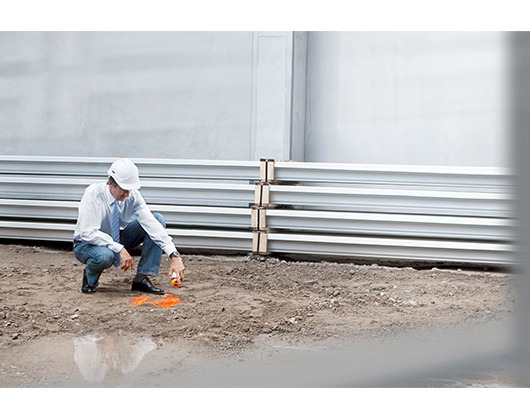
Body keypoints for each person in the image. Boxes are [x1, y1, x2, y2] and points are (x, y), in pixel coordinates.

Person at [73, 158, 185, 295]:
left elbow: (151, 224)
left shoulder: (132, 196)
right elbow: (87, 233)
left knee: (158, 219)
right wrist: (118, 248)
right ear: (111, 183)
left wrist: (174, 255)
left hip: (118, 236)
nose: (128, 194)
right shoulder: (93, 195)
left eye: (130, 189)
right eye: (124, 189)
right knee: (105, 256)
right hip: (87, 244)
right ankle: (90, 278)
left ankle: (142, 278)